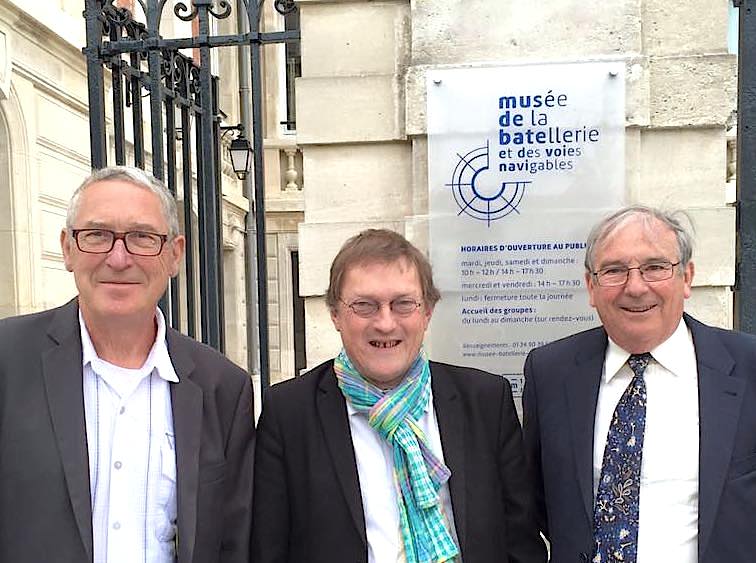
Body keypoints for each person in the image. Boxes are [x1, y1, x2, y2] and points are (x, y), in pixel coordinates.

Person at [0, 166, 255, 563]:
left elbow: (233, 544)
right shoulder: (7, 359)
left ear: (174, 254)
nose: (119, 258)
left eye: (141, 237)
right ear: (68, 248)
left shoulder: (222, 387)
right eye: (97, 235)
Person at [251, 228, 546, 563]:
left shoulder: (485, 402)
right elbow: (268, 549)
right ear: (335, 313)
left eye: (403, 304)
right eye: (365, 306)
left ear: (428, 311)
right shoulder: (289, 414)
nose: (386, 323)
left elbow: (521, 544)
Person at [523, 205, 756, 563]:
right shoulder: (550, 372)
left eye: (655, 267)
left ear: (687, 277)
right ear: (591, 286)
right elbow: (538, 501)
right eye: (614, 270)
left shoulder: (747, 367)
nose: (635, 287)